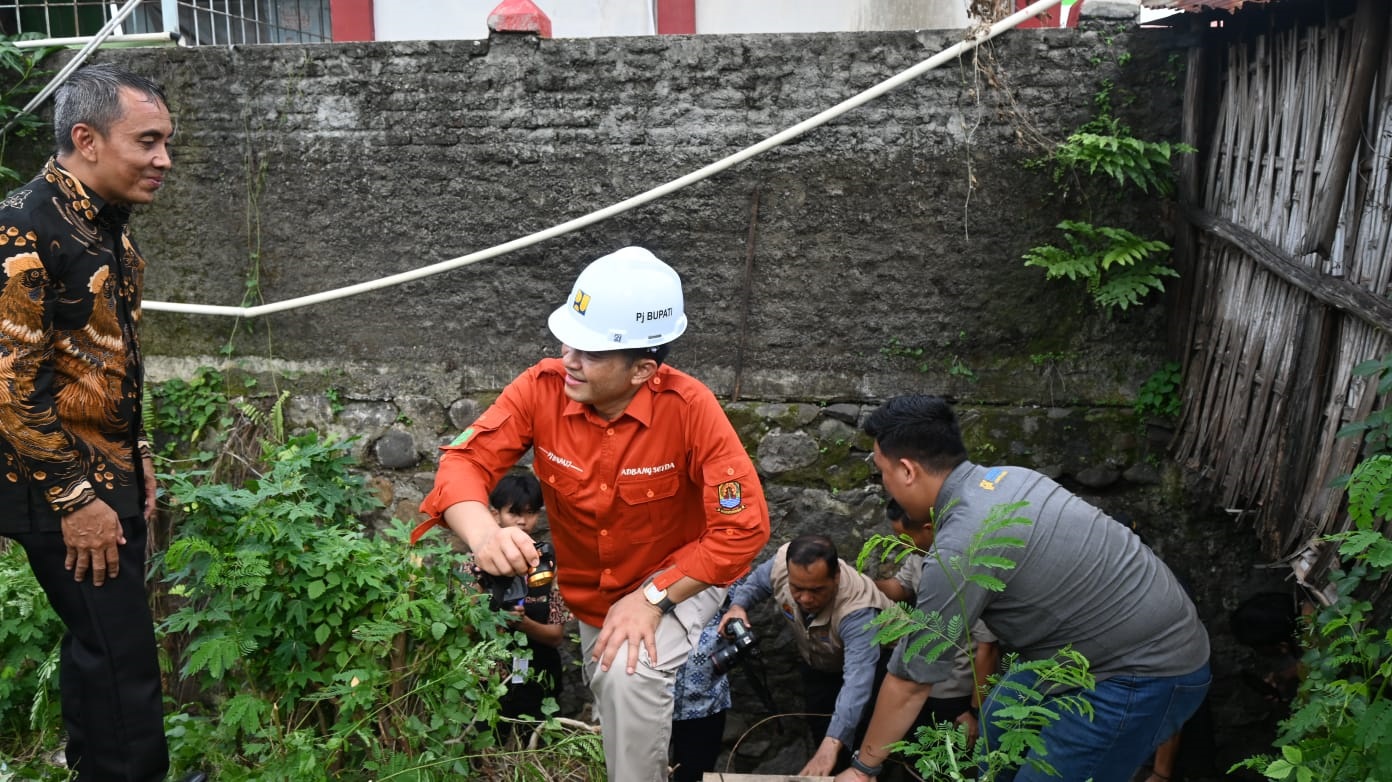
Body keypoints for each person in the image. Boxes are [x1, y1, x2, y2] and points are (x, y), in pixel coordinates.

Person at [417, 246, 771, 781]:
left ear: (642, 369)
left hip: (677, 580)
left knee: (627, 670)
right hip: (591, 594)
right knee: (614, 708)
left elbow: (742, 528)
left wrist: (652, 598)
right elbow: (464, 460)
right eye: (569, 342)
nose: (570, 360)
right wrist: (484, 533)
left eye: (591, 351)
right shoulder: (541, 388)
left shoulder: (691, 410)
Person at [836, 395, 1211, 782]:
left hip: (1144, 672)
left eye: (882, 471)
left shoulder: (963, 547)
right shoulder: (1010, 478)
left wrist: (863, 769)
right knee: (997, 724)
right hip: (1092, 652)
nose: (884, 483)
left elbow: (912, 680)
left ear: (908, 471)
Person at [0, 63, 192, 782]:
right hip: (59, 484)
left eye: (166, 142)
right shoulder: (24, 224)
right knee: (124, 663)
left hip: (103, 471)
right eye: (148, 141)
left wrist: (136, 452)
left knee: (99, 648)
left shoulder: (104, 222)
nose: (163, 160)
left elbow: (108, 360)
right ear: (86, 139)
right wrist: (78, 503)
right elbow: (10, 387)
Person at [722, 534, 893, 777]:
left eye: (816, 590)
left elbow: (858, 682)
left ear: (836, 577)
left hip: (878, 671)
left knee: (863, 750)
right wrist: (738, 606)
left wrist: (833, 743)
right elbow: (757, 583)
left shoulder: (858, 612)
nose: (804, 598)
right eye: (797, 588)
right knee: (822, 733)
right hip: (820, 664)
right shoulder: (782, 563)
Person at [873, 498, 1000, 752]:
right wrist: (862, 584)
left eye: (905, 537)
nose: (901, 545)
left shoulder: (965, 568)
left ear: (928, 529)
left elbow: (988, 648)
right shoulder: (918, 556)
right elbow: (900, 587)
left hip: (955, 694)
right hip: (921, 686)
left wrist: (976, 711)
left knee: (951, 763)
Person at [483, 473, 572, 725]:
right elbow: (465, 628)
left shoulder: (550, 563)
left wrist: (523, 624)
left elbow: (555, 635)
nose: (522, 521)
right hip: (488, 677)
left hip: (539, 676)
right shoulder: (476, 565)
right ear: (495, 514)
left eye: (531, 512)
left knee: (535, 747)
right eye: (514, 513)